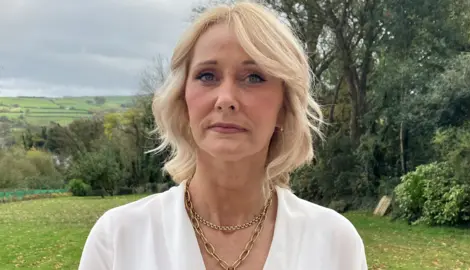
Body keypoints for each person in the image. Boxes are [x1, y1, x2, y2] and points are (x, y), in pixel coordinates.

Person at [78, 1, 368, 270]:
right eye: (207, 76)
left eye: (254, 77)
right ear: (183, 100)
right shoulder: (118, 239)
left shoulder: (334, 243)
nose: (226, 99)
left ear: (284, 107)